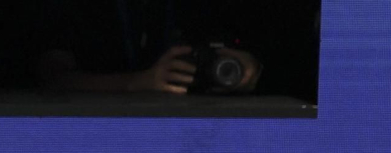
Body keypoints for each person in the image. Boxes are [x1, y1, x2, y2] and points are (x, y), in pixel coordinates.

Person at [34, 0, 260, 96]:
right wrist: (137, 83)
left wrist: (248, 69)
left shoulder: (197, 8)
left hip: (191, 133)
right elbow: (53, 78)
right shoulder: (80, 8)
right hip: (97, 131)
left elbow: (247, 58)